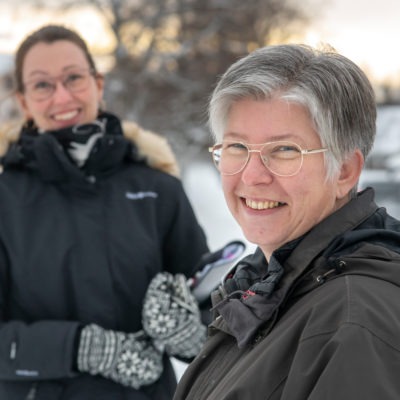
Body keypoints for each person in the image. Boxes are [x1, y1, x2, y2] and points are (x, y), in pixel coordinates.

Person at [173, 44, 400, 400]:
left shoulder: (353, 323)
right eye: (236, 147)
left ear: (344, 170)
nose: (253, 176)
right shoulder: (273, 287)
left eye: (284, 150)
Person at [0, 24, 210, 400]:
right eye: (43, 85)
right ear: (24, 101)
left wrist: (192, 332)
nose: (61, 95)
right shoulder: (4, 199)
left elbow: (211, 306)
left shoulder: (158, 189)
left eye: (73, 78)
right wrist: (81, 348)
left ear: (97, 84)